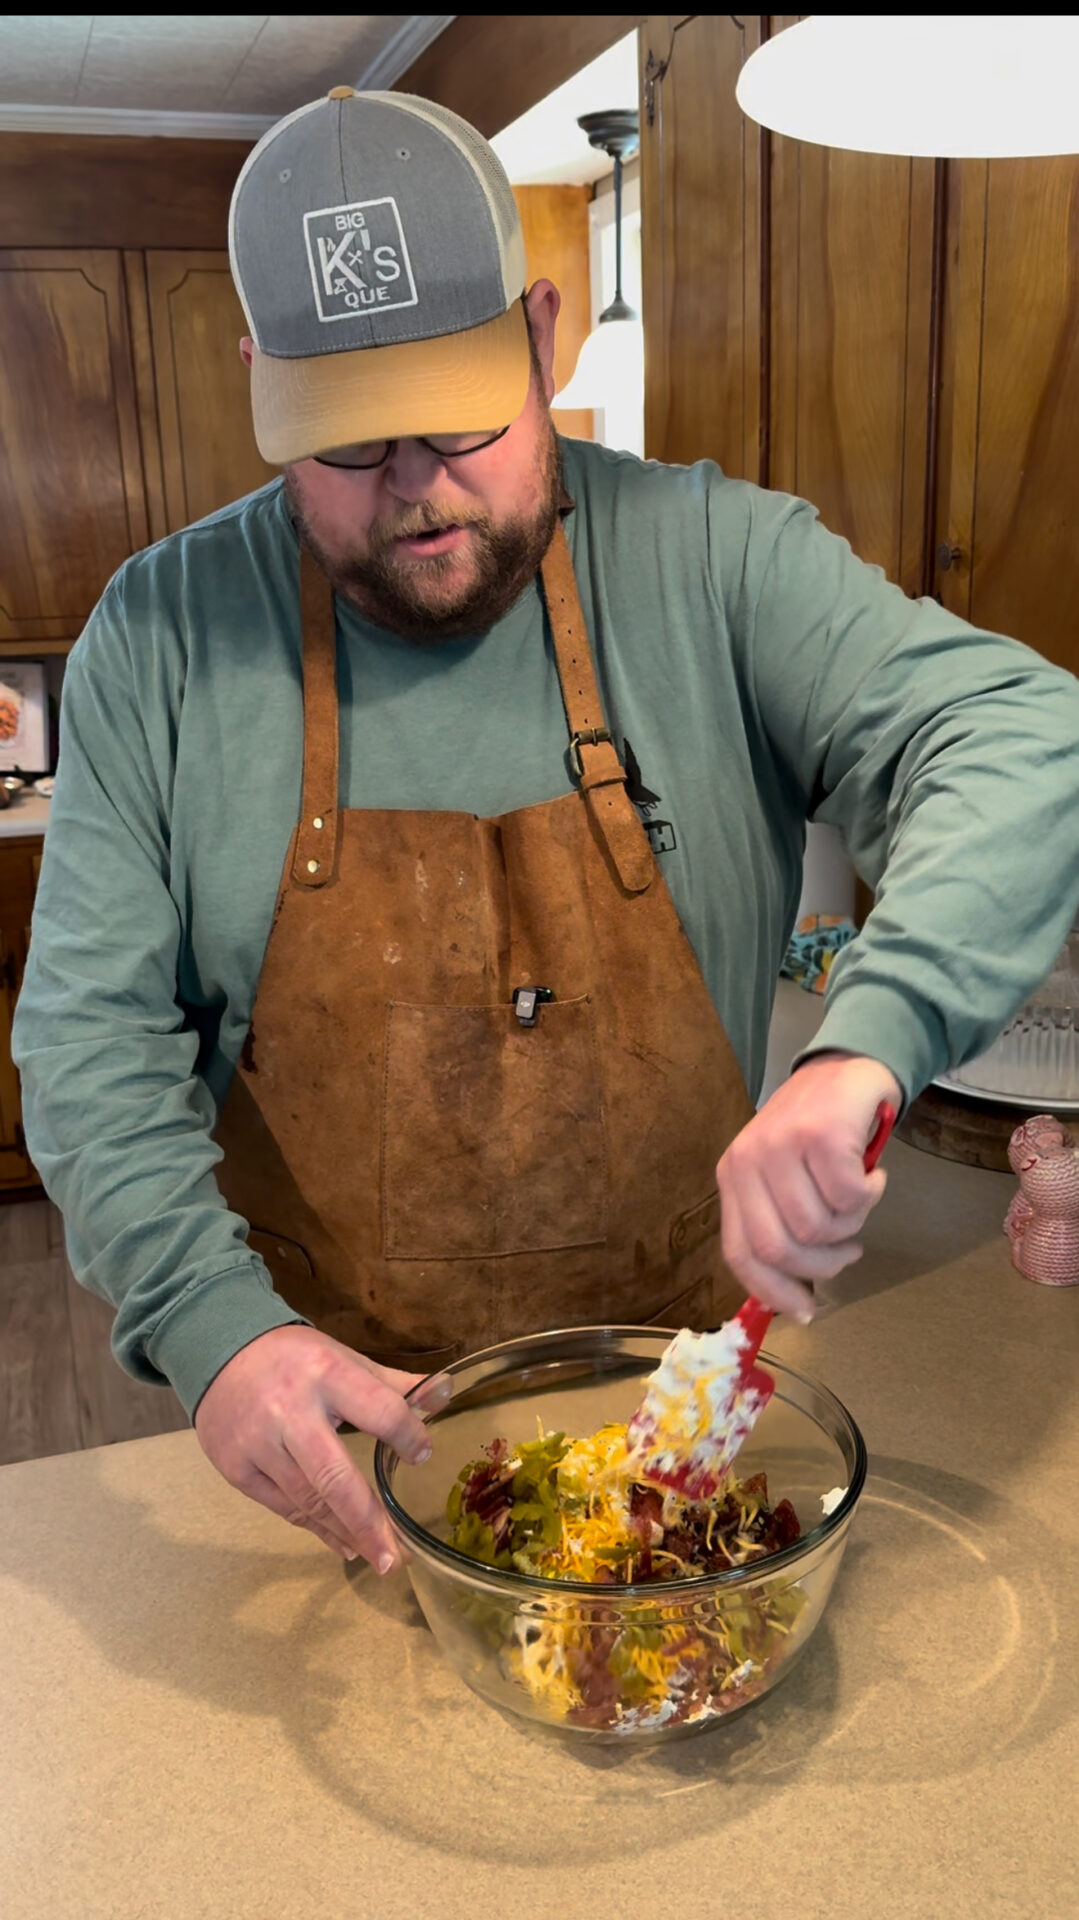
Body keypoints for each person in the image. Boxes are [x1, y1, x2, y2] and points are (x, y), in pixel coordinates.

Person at [14, 87, 1079, 1574]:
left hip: (681, 1436)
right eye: (345, 443)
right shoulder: (164, 636)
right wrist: (216, 1333)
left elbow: (1027, 738)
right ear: (258, 381)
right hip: (327, 1449)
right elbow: (85, 1043)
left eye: (457, 415)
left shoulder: (713, 560)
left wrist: (862, 1050)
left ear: (542, 331)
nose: (413, 488)